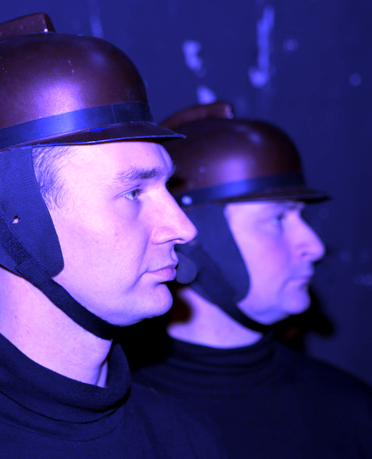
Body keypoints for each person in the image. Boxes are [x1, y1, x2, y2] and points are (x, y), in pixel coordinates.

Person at [0, 14, 225, 458]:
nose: (184, 228)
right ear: (12, 216)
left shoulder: (184, 437)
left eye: (167, 188)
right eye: (133, 192)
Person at [129, 102, 372, 458]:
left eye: (300, 217)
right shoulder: (117, 419)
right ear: (197, 238)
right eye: (277, 219)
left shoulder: (351, 409)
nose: (315, 246)